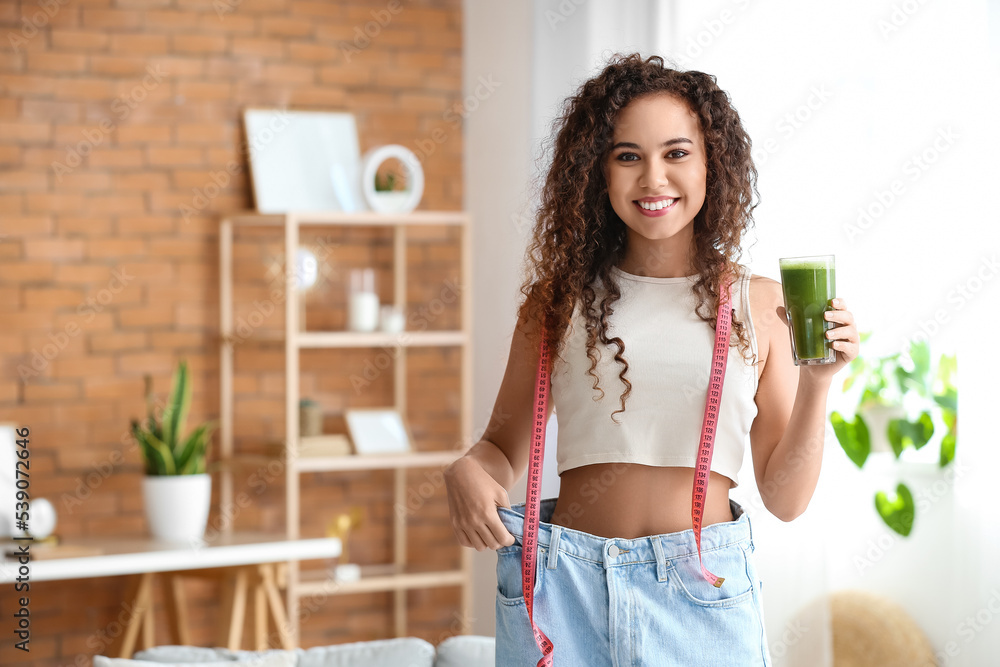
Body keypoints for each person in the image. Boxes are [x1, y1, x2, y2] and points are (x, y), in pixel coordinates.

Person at [443, 52, 859, 666]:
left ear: (712, 165)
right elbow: (502, 449)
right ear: (597, 172)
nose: (653, 178)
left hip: (701, 594)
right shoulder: (556, 303)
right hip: (565, 589)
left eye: (676, 153)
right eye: (628, 156)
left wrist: (818, 385)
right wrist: (468, 471)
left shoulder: (760, 305)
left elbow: (785, 499)